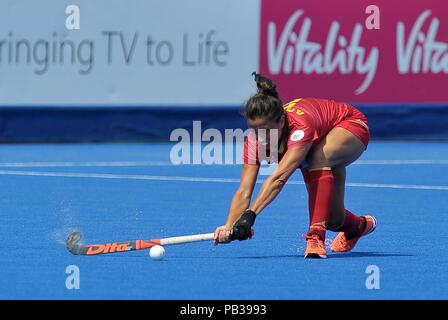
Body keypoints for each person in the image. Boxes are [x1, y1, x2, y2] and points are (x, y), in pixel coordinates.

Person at [213, 72, 377, 258]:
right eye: (254, 130)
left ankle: (315, 237)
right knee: (332, 219)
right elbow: (243, 191)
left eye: (266, 131)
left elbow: (279, 178)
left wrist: (250, 215)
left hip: (349, 125)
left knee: (313, 159)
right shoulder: (253, 142)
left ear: (282, 121)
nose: (260, 137)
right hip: (321, 142)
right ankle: (358, 227)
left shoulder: (300, 127)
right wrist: (231, 225)